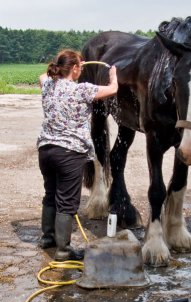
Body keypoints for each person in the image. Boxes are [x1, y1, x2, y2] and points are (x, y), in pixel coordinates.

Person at [37, 48, 118, 261]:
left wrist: (57, 70)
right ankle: (64, 250)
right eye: (80, 67)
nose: (81, 71)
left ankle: (47, 238)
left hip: (45, 151)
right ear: (73, 68)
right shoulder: (81, 90)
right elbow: (112, 90)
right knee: (67, 201)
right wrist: (113, 76)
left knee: (50, 193)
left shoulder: (48, 85)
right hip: (69, 154)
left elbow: (42, 76)